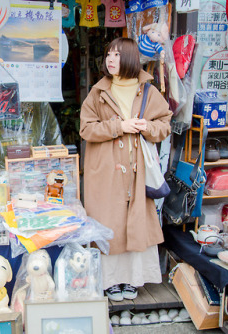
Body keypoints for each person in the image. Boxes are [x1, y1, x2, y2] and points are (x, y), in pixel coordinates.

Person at [79, 37, 172, 301]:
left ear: (130, 58)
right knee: (108, 222)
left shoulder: (148, 91)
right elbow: (85, 128)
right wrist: (119, 126)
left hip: (137, 169)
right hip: (106, 168)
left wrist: (146, 126)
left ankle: (133, 279)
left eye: (117, 55)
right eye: (109, 53)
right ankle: (109, 281)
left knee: (136, 221)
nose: (110, 59)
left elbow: (164, 123)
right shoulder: (98, 92)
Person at [0, 102, 63, 169]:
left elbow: (53, 133)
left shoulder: (38, 102)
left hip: (35, 167)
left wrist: (56, 159)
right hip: (2, 169)